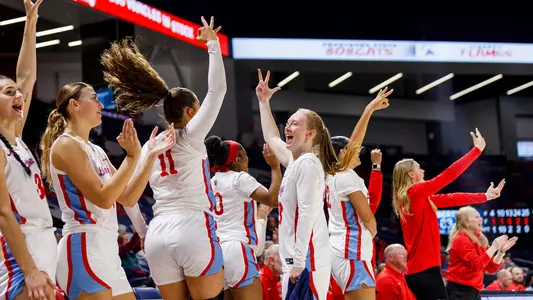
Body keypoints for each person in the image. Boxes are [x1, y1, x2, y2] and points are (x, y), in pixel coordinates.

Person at [100, 16, 227, 299]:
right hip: (193, 226)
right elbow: (218, 91)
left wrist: (143, 233)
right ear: (191, 112)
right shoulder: (192, 135)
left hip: (157, 233)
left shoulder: (148, 147)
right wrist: (213, 45)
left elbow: (128, 199)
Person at [39, 79, 174, 300]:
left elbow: (128, 197)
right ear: (74, 105)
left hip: (107, 250)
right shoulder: (65, 145)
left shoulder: (96, 150)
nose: (101, 105)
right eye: (94, 99)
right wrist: (131, 157)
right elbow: (103, 198)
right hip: (84, 247)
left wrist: (148, 155)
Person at [256, 69, 365, 299]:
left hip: (307, 258)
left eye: (295, 124)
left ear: (310, 133)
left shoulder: (308, 164)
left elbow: (307, 213)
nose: (288, 127)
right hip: (296, 258)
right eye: (288, 123)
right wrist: (264, 102)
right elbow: (272, 137)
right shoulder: (295, 162)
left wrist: (297, 261)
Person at [392, 128, 505, 300]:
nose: (423, 171)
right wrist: (476, 151)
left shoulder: (418, 198)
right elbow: (448, 175)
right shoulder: (414, 192)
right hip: (425, 270)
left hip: (422, 270)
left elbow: (451, 198)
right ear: (411, 175)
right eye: (419, 168)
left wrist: (485, 196)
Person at [0, 1, 56, 299]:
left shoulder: (16, 136)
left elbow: (26, 77)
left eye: (18, 92)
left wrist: (30, 24)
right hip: (19, 251)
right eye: (9, 92)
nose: (19, 94)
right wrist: (30, 269)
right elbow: (2, 212)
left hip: (43, 242)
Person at [326, 89, 392, 300]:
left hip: (342, 250)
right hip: (352, 252)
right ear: (343, 153)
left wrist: (369, 110)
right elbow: (368, 217)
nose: (359, 149)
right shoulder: (346, 177)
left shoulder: (333, 175)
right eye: (352, 149)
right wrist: (370, 232)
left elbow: (353, 141)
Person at [206, 136, 281, 299]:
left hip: (217, 251)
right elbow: (273, 200)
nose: (248, 159)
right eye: (245, 155)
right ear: (238, 158)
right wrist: (275, 167)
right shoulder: (239, 178)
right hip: (237, 249)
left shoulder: (211, 182)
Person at [446, 206, 517, 300]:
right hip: (460, 292)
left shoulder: (479, 239)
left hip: (474, 291)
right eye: (476, 217)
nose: (481, 219)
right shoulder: (461, 239)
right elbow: (476, 265)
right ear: (466, 222)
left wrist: (500, 252)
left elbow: (491, 268)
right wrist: (493, 247)